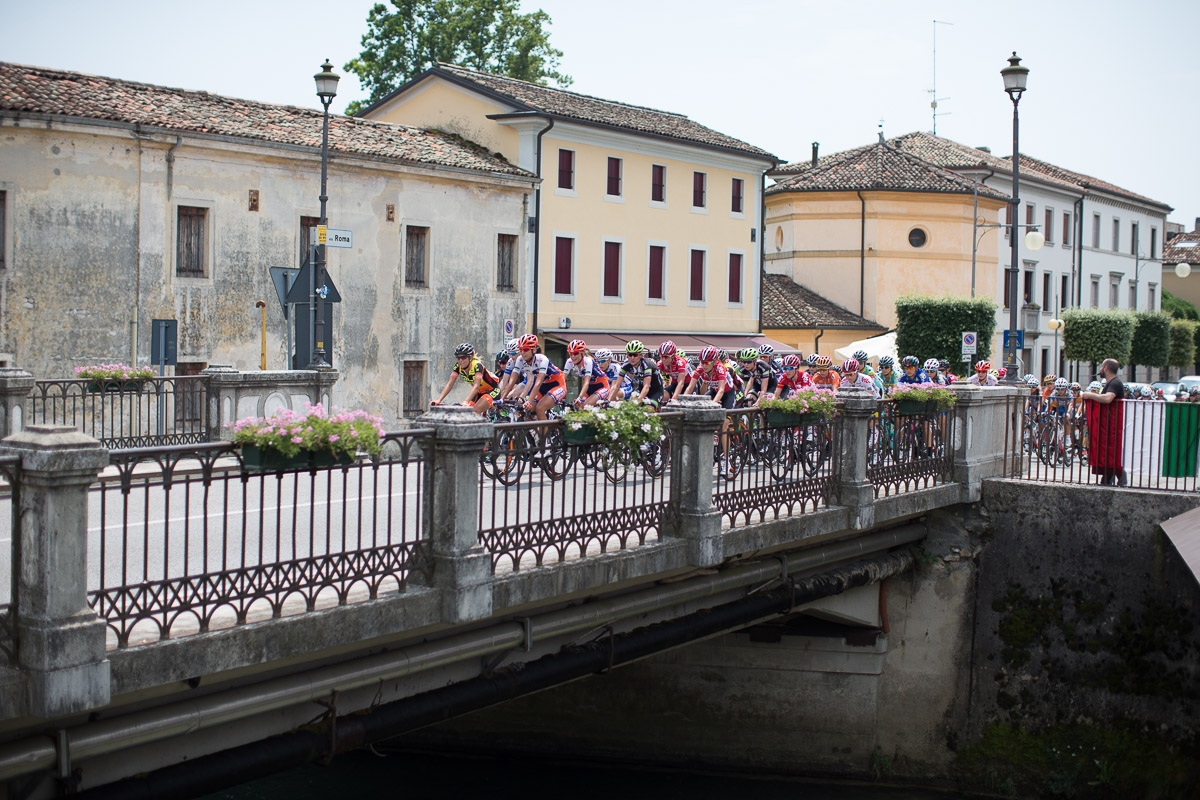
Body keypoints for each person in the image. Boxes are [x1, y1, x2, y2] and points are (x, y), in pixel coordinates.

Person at [1080, 358, 1126, 486]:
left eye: (1101, 367)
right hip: (1108, 423)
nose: (1100, 369)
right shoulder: (1111, 383)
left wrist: (1090, 395)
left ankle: (1121, 478)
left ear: (1106, 368)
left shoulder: (1115, 383)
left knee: (1112, 450)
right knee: (1107, 450)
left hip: (1113, 424)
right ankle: (1107, 478)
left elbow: (1108, 398)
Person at [430, 343, 501, 414]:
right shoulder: (458, 366)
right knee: (466, 412)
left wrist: (466, 401)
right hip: (479, 392)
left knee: (475, 410)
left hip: (492, 390)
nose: (460, 360)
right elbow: (450, 384)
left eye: (463, 357)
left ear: (470, 357)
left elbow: (476, 386)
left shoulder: (477, 365)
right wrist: (438, 400)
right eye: (458, 358)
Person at [563, 339, 610, 408]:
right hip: (590, 388)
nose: (573, 356)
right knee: (579, 407)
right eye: (570, 353)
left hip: (602, 386)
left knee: (586, 406)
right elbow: (562, 379)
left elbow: (586, 383)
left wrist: (579, 398)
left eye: (575, 353)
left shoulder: (588, 361)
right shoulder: (569, 362)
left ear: (582, 353)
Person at [620, 340, 666, 408]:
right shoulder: (626, 365)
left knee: (647, 409)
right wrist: (609, 401)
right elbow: (616, 385)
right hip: (641, 389)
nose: (632, 358)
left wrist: (637, 402)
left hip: (655, 391)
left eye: (635, 355)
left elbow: (646, 387)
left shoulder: (647, 365)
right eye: (630, 355)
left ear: (640, 355)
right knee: (629, 404)